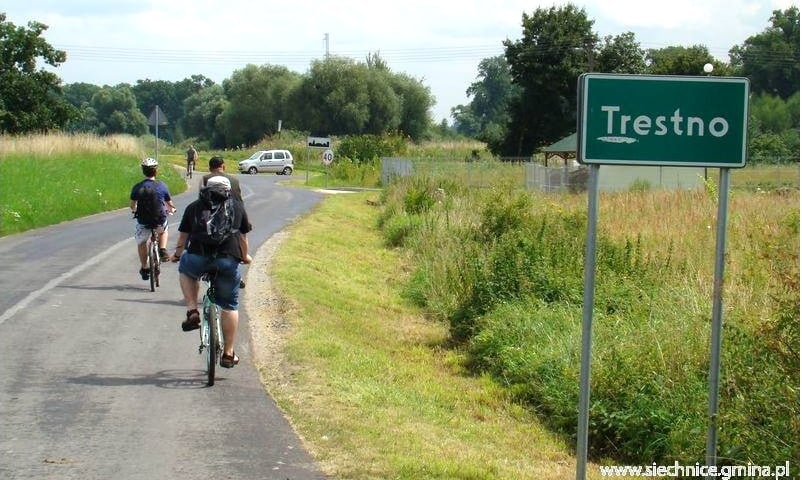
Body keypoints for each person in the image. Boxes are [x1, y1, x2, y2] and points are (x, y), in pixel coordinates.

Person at [171, 176, 252, 369]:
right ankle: (228, 353)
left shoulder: (194, 207)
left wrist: (177, 253)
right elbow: (242, 237)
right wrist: (246, 256)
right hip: (227, 260)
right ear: (228, 190)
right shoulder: (237, 207)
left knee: (186, 269)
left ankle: (192, 310)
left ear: (206, 189)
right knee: (230, 306)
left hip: (198, 256)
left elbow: (183, 235)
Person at [130, 157, 176, 281]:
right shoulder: (161, 185)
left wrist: (134, 210)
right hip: (159, 219)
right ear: (156, 171)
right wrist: (171, 210)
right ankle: (162, 249)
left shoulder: (137, 187)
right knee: (164, 230)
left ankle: (145, 267)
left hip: (143, 221)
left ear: (143, 171)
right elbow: (169, 203)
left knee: (141, 243)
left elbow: (132, 205)